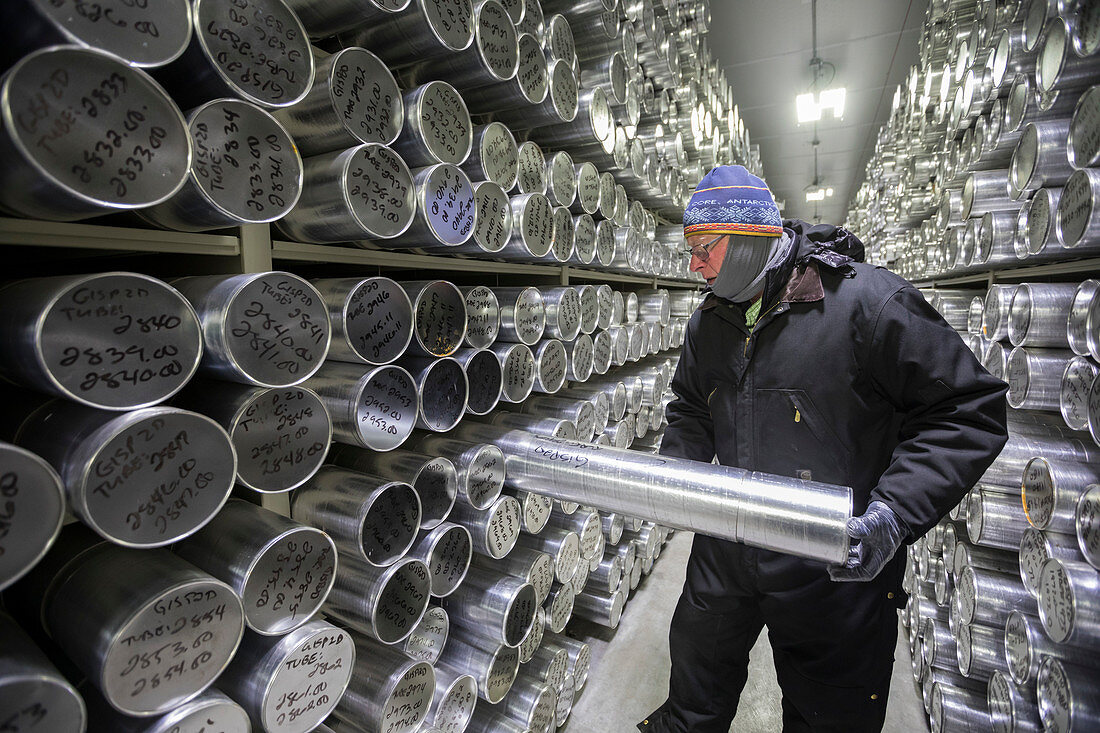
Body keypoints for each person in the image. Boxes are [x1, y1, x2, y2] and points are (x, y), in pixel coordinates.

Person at [637, 165, 1008, 733]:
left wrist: (893, 513)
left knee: (826, 718)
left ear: (746, 240)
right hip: (729, 548)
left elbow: (966, 408)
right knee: (693, 695)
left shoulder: (867, 304)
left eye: (703, 249)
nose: (694, 266)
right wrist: (678, 472)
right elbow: (691, 404)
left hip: (832, 565)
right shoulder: (709, 322)